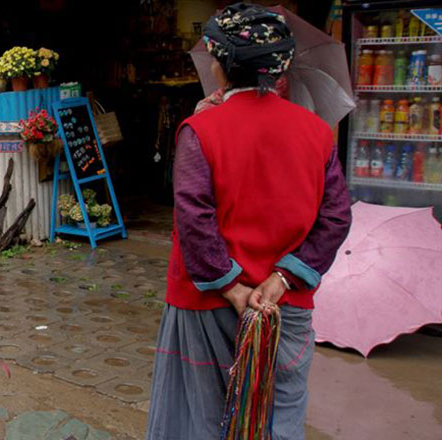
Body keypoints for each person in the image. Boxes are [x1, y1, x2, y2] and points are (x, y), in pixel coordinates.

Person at [145, 4, 352, 440]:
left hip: (210, 305)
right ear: (281, 70)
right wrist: (280, 279)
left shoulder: (201, 130)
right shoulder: (317, 133)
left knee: (200, 418)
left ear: (220, 67)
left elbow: (194, 217)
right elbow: (335, 217)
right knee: (280, 413)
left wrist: (232, 285)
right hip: (285, 306)